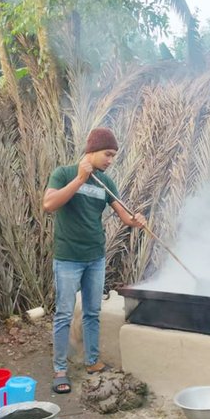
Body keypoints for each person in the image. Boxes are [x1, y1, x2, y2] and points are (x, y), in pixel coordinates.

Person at [43, 128, 146, 394]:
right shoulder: (64, 173)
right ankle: (60, 370)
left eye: (113, 155)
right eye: (107, 154)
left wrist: (137, 221)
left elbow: (125, 216)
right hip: (68, 258)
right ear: (92, 150)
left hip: (95, 258)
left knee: (92, 312)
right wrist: (79, 179)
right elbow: (49, 204)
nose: (111, 160)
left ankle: (92, 362)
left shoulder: (106, 183)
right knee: (64, 313)